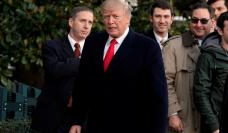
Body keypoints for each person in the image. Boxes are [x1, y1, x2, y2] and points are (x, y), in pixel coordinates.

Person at [69, 0, 168, 133]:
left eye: (115, 16)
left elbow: (158, 95)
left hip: (133, 126)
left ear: (128, 19)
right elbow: (82, 84)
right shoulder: (93, 42)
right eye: (106, 16)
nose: (110, 21)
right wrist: (77, 120)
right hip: (96, 125)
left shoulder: (147, 47)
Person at [30, 6, 94, 133]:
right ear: (71, 22)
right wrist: (84, 63)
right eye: (82, 21)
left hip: (82, 119)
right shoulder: (52, 46)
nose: (86, 26)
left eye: (90, 22)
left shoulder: (95, 50)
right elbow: (55, 70)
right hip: (52, 118)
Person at [162, 2, 214, 133]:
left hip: (212, 123)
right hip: (184, 122)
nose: (198, 25)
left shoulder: (221, 46)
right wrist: (172, 113)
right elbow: (165, 82)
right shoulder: (173, 47)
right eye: (194, 20)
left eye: (203, 21)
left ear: (213, 22)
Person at [193, 11, 228, 133]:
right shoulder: (209, 56)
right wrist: (214, 126)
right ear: (220, 31)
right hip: (217, 124)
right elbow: (201, 92)